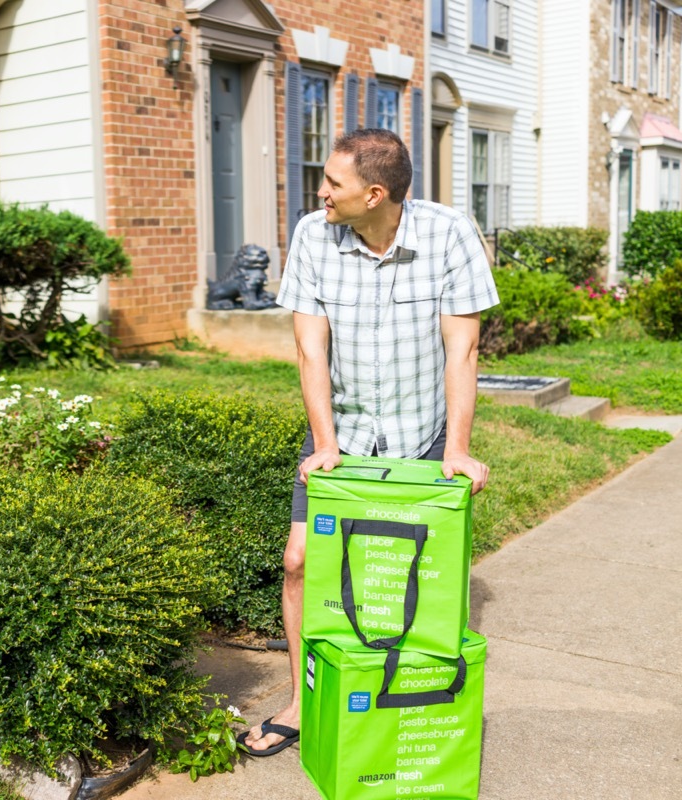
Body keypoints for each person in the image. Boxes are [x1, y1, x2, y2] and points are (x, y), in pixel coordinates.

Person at [239, 128, 499, 756]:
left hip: (424, 432)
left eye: (333, 183)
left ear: (375, 194)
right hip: (343, 430)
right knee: (300, 561)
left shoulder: (449, 234)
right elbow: (310, 347)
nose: (320, 191)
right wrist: (325, 442)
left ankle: (399, 696)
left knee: (410, 577)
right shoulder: (312, 234)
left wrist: (456, 449)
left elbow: (461, 350)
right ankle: (303, 703)